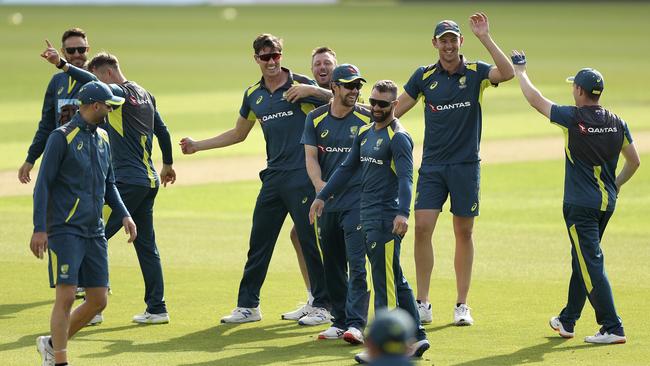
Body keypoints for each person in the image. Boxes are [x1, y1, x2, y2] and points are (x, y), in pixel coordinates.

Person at [180, 34, 332, 324]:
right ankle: (249, 306)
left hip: (302, 176)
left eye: (276, 55)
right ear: (256, 60)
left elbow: (343, 101)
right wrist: (198, 145)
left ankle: (323, 306)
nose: (272, 62)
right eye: (266, 57)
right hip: (273, 177)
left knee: (309, 241)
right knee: (259, 241)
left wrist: (316, 91)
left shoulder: (300, 85)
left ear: (281, 55)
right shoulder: (253, 94)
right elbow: (239, 133)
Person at [41, 43, 176, 324]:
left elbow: (91, 82)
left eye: (99, 81)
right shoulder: (145, 93)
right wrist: (168, 163)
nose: (99, 95)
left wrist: (63, 65)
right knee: (146, 245)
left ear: (109, 73)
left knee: (93, 235)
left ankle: (93, 307)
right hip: (148, 180)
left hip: (126, 181)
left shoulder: (118, 94)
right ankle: (157, 308)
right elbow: (162, 129)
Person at [511, 51, 640, 344]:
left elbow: (535, 100)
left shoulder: (573, 117)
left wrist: (520, 71)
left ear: (580, 91)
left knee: (590, 262)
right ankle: (568, 320)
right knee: (581, 260)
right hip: (606, 203)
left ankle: (612, 326)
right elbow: (634, 161)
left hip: (580, 205)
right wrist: (616, 185)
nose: (572, 91)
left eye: (574, 87)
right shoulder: (618, 122)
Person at [394, 13, 515, 325]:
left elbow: (507, 72)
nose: (448, 45)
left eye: (453, 39)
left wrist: (485, 36)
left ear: (460, 42)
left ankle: (462, 304)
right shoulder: (424, 76)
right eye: (443, 40)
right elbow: (394, 110)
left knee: (464, 231)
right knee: (421, 228)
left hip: (464, 166)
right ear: (435, 43)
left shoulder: (475, 73)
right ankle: (422, 302)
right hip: (432, 166)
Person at [311, 80, 429, 363]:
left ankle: (384, 346)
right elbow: (346, 168)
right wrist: (323, 196)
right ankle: (417, 336)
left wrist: (403, 213)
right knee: (395, 278)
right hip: (368, 215)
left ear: (395, 105)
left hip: (386, 219)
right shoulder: (364, 133)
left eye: (383, 104)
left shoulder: (398, 137)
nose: (376, 108)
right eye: (373, 102)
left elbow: (406, 179)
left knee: (383, 282)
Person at [32, 81, 136, 366]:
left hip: (95, 231)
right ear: (94, 105)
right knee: (65, 297)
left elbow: (109, 183)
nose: (112, 109)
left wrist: (125, 214)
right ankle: (60, 360)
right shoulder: (61, 137)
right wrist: (39, 228)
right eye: (109, 105)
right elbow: (42, 186)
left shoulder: (103, 138)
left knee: (98, 300)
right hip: (65, 230)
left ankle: (52, 344)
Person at [301, 64, 370, 341]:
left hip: (358, 202)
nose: (354, 91)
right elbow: (310, 158)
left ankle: (356, 324)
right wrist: (320, 189)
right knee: (332, 263)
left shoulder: (366, 118)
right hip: (328, 203)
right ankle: (340, 320)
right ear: (334, 87)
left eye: (357, 86)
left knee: (356, 263)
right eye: (349, 85)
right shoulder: (316, 119)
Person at [281, 46, 339, 321]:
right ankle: (315, 297)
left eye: (327, 63)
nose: (322, 67)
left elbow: (342, 100)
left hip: (339, 180)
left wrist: (311, 91)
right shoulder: (305, 91)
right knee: (299, 235)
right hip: (314, 181)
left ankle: (331, 305)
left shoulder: (345, 88)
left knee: (332, 240)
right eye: (317, 64)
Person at [19, 28, 90, 185]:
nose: (77, 54)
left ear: (88, 49)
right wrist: (31, 158)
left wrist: (60, 63)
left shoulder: (98, 79)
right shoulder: (57, 82)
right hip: (62, 156)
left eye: (81, 49)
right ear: (63, 51)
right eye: (71, 50)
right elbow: (47, 124)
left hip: (90, 156)